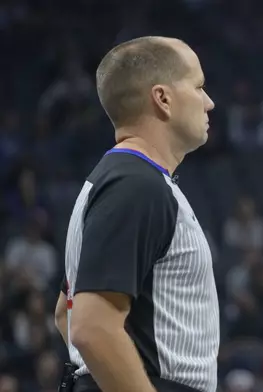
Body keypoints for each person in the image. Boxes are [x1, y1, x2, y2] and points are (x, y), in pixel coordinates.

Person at [54, 36, 219, 392]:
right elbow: (91, 327)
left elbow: (63, 313)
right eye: (199, 86)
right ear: (162, 98)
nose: (209, 102)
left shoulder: (123, 181)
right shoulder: (136, 185)